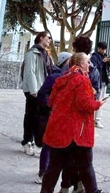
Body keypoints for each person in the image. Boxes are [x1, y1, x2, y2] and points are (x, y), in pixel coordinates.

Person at [40, 53, 103, 193]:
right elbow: (84, 104)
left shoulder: (62, 79)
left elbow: (51, 102)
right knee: (86, 166)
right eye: (87, 62)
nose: (89, 64)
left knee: (53, 167)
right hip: (77, 132)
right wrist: (98, 103)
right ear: (80, 64)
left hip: (58, 130)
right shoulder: (82, 80)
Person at [35, 52, 72, 187]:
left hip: (60, 115)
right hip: (51, 114)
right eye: (69, 61)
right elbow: (42, 93)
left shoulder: (67, 76)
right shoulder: (55, 76)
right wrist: (50, 106)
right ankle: (42, 172)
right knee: (48, 144)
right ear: (64, 62)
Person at [21, 31, 52, 156]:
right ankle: (27, 142)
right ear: (41, 38)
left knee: (39, 118)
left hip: (42, 90)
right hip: (34, 90)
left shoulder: (45, 54)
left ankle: (36, 142)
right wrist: (33, 90)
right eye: (48, 37)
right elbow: (30, 72)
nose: (50, 40)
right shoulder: (32, 53)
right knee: (31, 117)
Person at [90, 41, 110, 129]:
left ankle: (97, 119)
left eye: (105, 49)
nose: (104, 51)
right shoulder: (94, 57)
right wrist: (102, 62)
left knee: (101, 100)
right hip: (97, 82)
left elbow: (109, 67)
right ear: (98, 48)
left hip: (104, 81)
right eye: (102, 49)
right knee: (96, 100)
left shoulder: (105, 56)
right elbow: (94, 68)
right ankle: (94, 119)